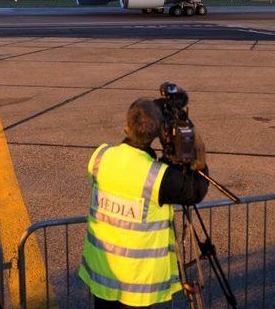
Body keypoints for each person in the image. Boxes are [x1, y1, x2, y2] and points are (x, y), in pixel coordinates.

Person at [78, 99, 209, 308]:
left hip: (103, 274)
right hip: (136, 285)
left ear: (126, 128)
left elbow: (125, 169)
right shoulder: (157, 177)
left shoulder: (101, 157)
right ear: (156, 133)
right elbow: (196, 189)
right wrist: (190, 144)